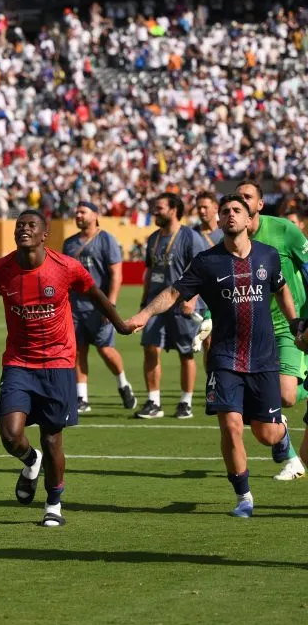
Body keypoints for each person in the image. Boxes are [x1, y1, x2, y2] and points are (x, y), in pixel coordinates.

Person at [0, 209, 131, 527]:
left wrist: (120, 325)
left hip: (58, 363)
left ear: (45, 235)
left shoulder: (66, 267)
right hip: (18, 362)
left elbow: (95, 293)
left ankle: (53, 504)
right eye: (19, 226)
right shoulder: (1, 269)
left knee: (53, 439)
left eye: (31, 226)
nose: (23, 229)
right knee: (11, 435)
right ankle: (31, 461)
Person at [126, 196, 301, 517]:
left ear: (249, 220)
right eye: (225, 212)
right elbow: (175, 292)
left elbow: (281, 289)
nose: (230, 215)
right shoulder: (207, 261)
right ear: (219, 221)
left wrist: (294, 324)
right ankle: (244, 497)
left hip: (264, 360)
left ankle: (281, 433)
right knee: (231, 426)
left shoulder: (268, 256)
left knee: (267, 433)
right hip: (224, 359)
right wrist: (144, 314)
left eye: (237, 211)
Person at [236, 181, 308, 480]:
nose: (240, 201)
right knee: (263, 428)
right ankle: (287, 452)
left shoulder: (283, 230)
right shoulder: (230, 241)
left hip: (289, 326)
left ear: (260, 205)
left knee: (287, 396)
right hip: (250, 333)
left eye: (247, 196)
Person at [135, 193, 209, 420]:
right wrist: (143, 301)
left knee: (186, 354)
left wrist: (193, 299)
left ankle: (185, 402)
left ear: (174, 210)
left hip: (181, 304)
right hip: (155, 304)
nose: (154, 212)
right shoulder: (153, 238)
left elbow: (202, 270)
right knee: (150, 347)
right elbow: (150, 272)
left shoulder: (190, 237)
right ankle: (153, 401)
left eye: (159, 208)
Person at [63, 202, 134, 412]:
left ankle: (123, 383)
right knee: (78, 351)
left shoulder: (107, 240)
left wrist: (110, 304)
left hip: (99, 307)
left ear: (95, 215)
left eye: (82, 212)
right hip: (75, 306)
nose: (78, 215)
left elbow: (116, 274)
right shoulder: (69, 243)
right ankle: (81, 398)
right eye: (76, 212)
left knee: (105, 350)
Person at [192, 191, 223, 361]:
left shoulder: (225, 232)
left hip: (225, 294)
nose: (202, 211)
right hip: (201, 300)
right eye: (199, 208)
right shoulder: (191, 234)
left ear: (215, 208)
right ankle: (211, 383)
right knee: (208, 343)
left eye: (205, 207)